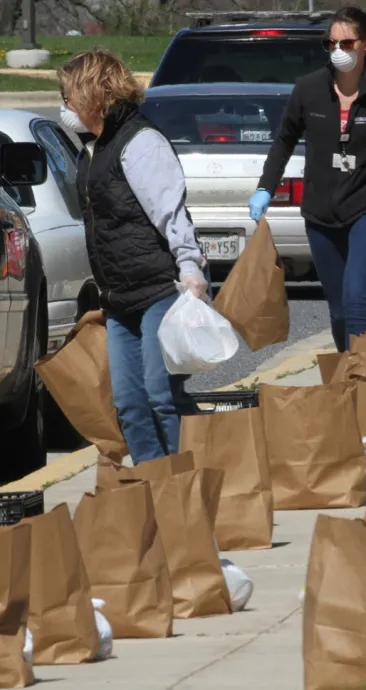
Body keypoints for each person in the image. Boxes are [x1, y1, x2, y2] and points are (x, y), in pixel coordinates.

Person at [249, 5, 366, 352]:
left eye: (346, 43)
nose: (338, 51)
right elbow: (284, 140)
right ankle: (348, 375)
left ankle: (362, 381)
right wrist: (264, 189)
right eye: (331, 43)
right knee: (338, 309)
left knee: (356, 296)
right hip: (320, 212)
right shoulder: (308, 90)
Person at [57, 49, 208, 463]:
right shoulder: (93, 148)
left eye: (69, 95)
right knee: (128, 404)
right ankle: (152, 487)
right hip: (120, 299)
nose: (65, 106)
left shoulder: (140, 142)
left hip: (160, 288)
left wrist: (191, 266)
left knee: (161, 396)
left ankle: (187, 485)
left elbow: (170, 210)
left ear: (95, 92)